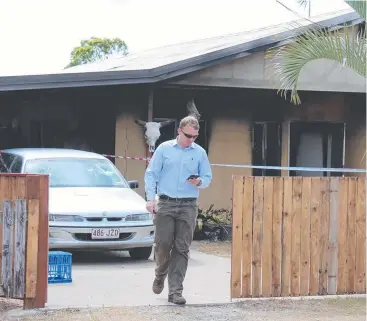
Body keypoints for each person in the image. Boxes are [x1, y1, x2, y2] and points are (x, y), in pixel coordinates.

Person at [144, 115, 212, 305]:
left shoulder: (199, 153)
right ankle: (160, 274)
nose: (191, 140)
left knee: (182, 248)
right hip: (165, 202)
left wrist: (199, 181)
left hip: (188, 205)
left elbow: (207, 176)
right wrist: (151, 199)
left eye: (195, 136)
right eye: (188, 135)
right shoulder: (164, 149)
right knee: (163, 245)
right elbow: (151, 174)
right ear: (179, 132)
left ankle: (175, 291)